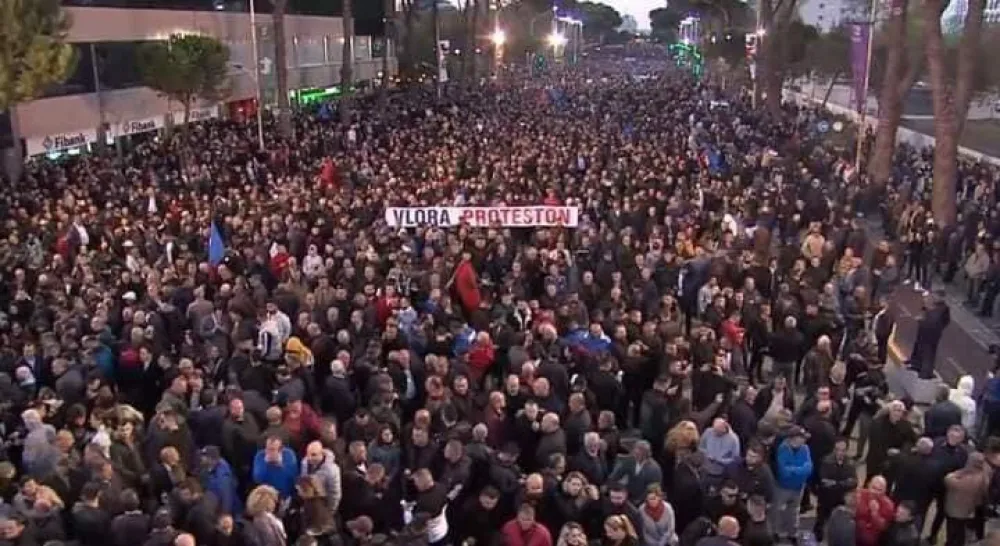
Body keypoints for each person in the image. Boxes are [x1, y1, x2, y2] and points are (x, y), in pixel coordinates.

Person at [770, 426, 812, 542]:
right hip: (782, 487)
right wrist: (800, 470)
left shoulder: (805, 448)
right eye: (801, 438)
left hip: (798, 487)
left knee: (794, 511)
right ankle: (775, 532)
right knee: (777, 510)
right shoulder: (783, 449)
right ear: (793, 438)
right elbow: (784, 472)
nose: (803, 440)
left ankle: (792, 533)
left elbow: (809, 468)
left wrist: (794, 470)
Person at [943, 452, 991, 546]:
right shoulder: (983, 476)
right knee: (961, 530)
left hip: (954, 510)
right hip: (968, 509)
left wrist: (960, 472)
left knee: (953, 532)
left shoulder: (963, 480)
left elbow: (947, 479)